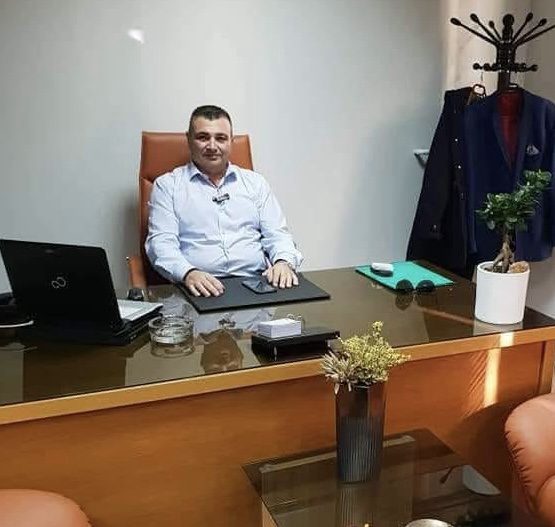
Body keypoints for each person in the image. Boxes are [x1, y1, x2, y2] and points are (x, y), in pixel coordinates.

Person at [145, 105, 302, 297]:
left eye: (220, 138)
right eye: (203, 137)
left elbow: (277, 234)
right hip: (197, 288)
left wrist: (283, 262)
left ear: (231, 142)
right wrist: (188, 273)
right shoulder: (167, 186)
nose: (212, 146)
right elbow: (161, 243)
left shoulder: (255, 183)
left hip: (256, 285)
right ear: (189, 139)